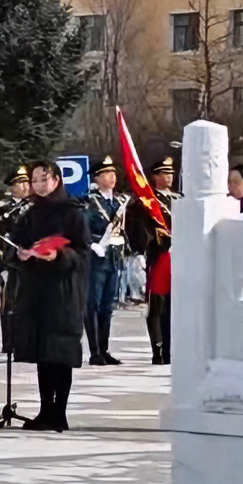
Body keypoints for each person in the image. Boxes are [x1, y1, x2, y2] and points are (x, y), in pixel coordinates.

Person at [9, 160, 90, 432]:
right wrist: (20, 253)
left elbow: (83, 253)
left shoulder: (72, 212)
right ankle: (45, 410)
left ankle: (59, 412)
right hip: (37, 290)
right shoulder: (31, 213)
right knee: (43, 353)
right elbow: (15, 241)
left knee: (60, 353)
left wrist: (59, 255)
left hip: (64, 291)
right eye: (35, 181)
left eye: (44, 179)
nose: (40, 186)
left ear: (56, 180)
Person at [126, 157, 178, 365]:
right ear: (155, 176)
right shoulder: (148, 201)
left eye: (171, 173)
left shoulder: (179, 199)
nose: (169, 177)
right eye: (164, 173)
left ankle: (173, 346)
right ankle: (159, 347)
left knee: (177, 305)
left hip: (181, 255)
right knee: (158, 304)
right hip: (161, 255)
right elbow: (139, 228)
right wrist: (140, 250)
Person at [83, 156, 127, 366]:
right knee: (93, 304)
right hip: (96, 258)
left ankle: (104, 348)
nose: (112, 177)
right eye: (107, 174)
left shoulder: (118, 202)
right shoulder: (89, 202)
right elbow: (82, 228)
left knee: (107, 306)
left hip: (113, 257)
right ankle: (95, 351)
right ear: (97, 178)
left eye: (113, 173)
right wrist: (92, 244)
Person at [0, 165, 31, 354]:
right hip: (11, 262)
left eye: (27, 182)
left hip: (30, 262)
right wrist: (2, 264)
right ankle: (9, 342)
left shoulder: (34, 207)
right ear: (12, 187)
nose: (25, 186)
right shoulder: (4, 209)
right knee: (9, 303)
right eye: (20, 183)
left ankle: (26, 340)